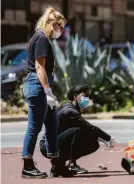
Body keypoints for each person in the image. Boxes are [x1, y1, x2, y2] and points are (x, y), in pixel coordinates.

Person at [21, 6, 66, 178]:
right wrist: (48, 92)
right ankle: (27, 165)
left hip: (42, 87)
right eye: (59, 27)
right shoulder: (41, 39)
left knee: (52, 125)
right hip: (38, 86)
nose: (61, 31)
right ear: (51, 24)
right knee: (34, 126)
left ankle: (56, 164)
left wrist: (49, 92)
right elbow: (40, 67)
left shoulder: (42, 38)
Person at [40, 85, 116, 175]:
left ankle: (58, 165)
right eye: (84, 96)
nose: (87, 99)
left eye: (88, 96)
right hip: (47, 146)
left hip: (57, 143)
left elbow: (88, 129)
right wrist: (108, 138)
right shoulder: (69, 111)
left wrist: (100, 138)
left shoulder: (74, 108)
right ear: (75, 96)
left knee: (93, 143)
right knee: (78, 131)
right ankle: (68, 164)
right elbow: (88, 127)